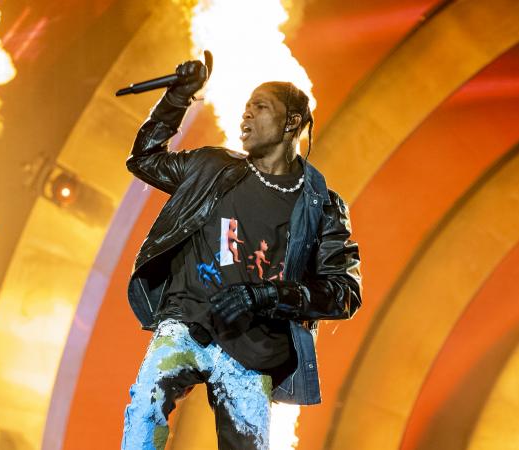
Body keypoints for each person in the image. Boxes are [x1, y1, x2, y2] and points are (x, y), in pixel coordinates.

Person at [122, 58, 362, 450]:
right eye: (246, 105)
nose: (246, 113)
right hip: (187, 323)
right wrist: (178, 96)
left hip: (252, 350)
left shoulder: (321, 205)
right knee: (146, 408)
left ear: (292, 122)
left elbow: (344, 291)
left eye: (261, 106)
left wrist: (269, 295)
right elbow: (144, 159)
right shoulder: (212, 167)